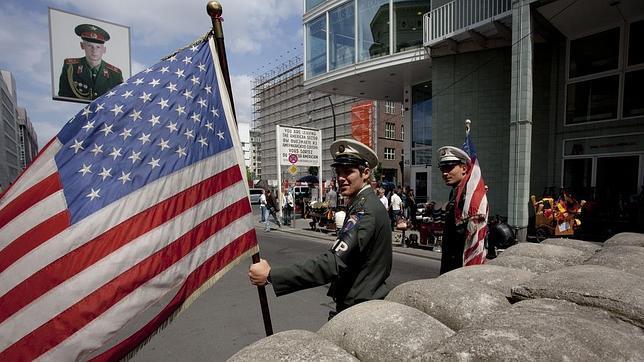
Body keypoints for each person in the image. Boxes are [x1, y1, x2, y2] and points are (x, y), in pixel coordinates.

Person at [249, 139, 392, 320]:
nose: (341, 177)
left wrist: (272, 275)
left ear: (365, 173)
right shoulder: (363, 204)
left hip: (359, 308)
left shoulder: (365, 210)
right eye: (338, 171)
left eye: (348, 171)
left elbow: (333, 264)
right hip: (361, 302)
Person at [437, 145, 481, 274]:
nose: (445, 173)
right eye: (442, 169)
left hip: (459, 265)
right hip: (451, 262)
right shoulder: (456, 192)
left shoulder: (468, 196)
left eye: (450, 168)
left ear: (464, 168)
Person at [58, 24, 123, 101]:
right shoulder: (70, 67)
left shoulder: (115, 74)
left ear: (104, 50)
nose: (94, 50)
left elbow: (119, 100)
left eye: (98, 47)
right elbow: (63, 96)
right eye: (89, 46)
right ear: (82, 46)